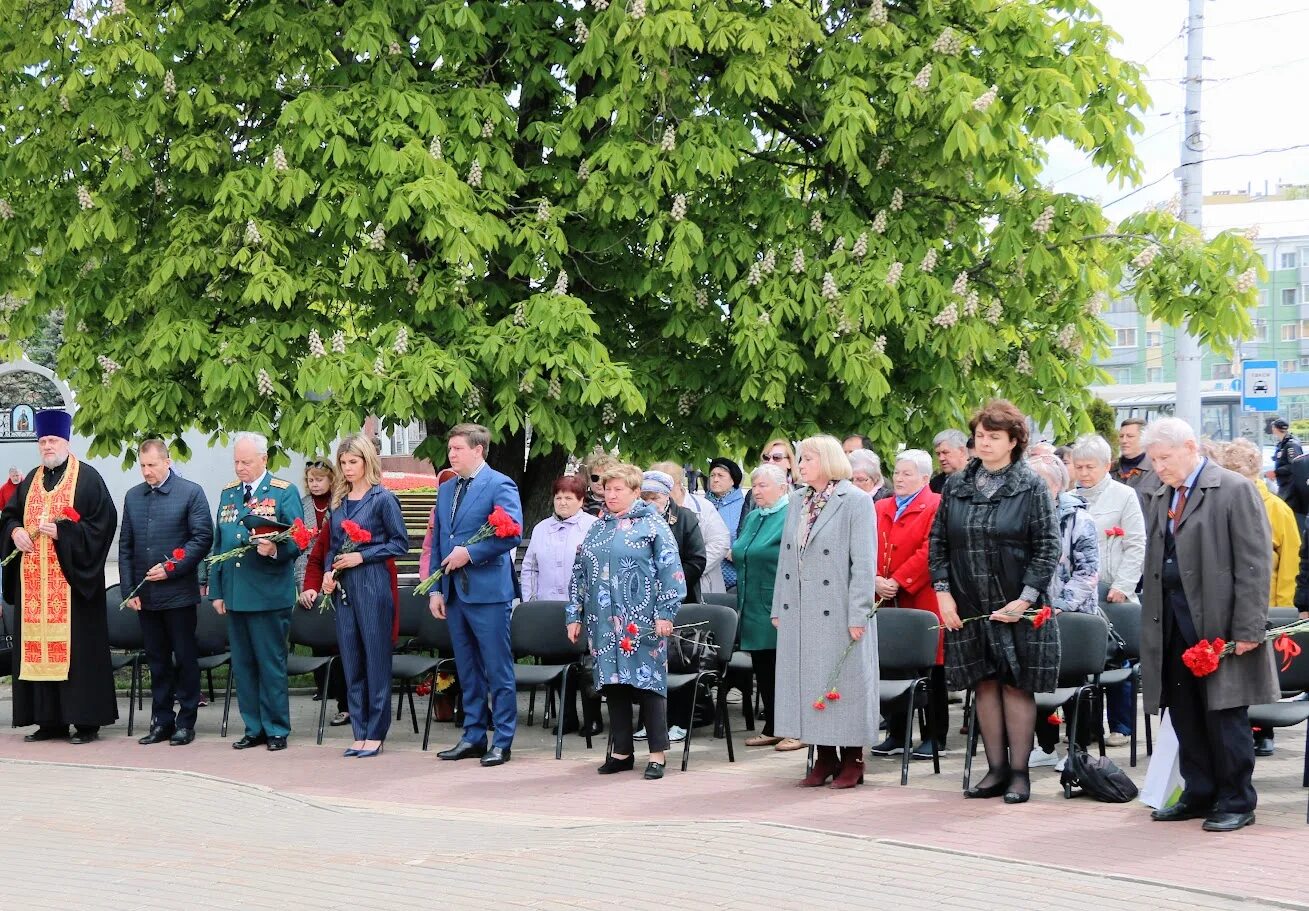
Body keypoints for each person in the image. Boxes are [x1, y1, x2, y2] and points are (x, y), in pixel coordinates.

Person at [1139, 418, 1278, 832]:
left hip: (1218, 623)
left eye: (1164, 458)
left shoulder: (1232, 488)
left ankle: (1236, 799)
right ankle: (1198, 792)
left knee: (1225, 714)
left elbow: (1255, 565)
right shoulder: (1162, 493)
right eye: (1153, 460)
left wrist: (1248, 629)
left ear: (1189, 447)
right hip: (1171, 621)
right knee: (1183, 712)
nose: (1158, 467)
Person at [928, 400, 1061, 804]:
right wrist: (944, 594)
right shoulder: (956, 484)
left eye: (993, 437)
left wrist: (1025, 599)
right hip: (968, 602)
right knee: (983, 684)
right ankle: (995, 769)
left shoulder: (1030, 485)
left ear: (1015, 441)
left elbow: (1047, 546)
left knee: (1016, 685)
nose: (983, 444)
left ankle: (1020, 774)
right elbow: (938, 543)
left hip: (1017, 604)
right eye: (980, 436)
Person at [1, 410, 119, 743]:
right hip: (34, 590)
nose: (47, 446)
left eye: (52, 440)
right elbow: (8, 516)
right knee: (36, 650)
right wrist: (14, 533)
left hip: (72, 588)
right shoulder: (30, 480)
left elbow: (102, 524)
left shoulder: (88, 478)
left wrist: (65, 534)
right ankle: (48, 721)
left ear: (66, 442)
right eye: (42, 441)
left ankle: (85, 722)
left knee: (77, 654)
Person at [771, 435, 879, 790]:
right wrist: (779, 606)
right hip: (801, 609)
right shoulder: (798, 500)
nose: (800, 466)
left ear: (829, 460)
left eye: (808, 459)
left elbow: (863, 563)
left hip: (840, 611)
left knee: (842, 684)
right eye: (800, 460)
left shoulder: (856, 501)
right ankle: (824, 757)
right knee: (809, 684)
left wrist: (858, 614)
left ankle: (853, 759)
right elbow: (787, 558)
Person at [568, 463, 686, 780]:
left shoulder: (652, 525)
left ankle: (657, 755)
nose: (612, 495)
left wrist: (666, 613)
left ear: (636, 492)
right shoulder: (597, 527)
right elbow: (579, 573)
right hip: (602, 620)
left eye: (619, 489)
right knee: (614, 684)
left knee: (649, 684)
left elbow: (671, 572)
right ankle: (621, 752)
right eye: (608, 489)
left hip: (641, 621)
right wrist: (573, 613)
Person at [428, 424, 524, 768]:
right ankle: (472, 735)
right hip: (454, 592)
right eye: (450, 449)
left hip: (487, 593)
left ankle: (502, 741)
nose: (451, 454)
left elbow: (512, 533)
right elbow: (440, 537)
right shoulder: (447, 488)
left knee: (497, 669)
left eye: (457, 449)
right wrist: (436, 587)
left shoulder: (499, 484)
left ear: (478, 449)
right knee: (466, 669)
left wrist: (470, 553)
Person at [208, 432, 304, 751]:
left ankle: (276, 728)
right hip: (236, 595)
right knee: (244, 665)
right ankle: (253, 726)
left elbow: (298, 539)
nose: (240, 467)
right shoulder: (229, 494)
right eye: (236, 461)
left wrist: (275, 550)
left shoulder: (282, 492)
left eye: (246, 461)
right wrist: (217, 591)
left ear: (264, 459)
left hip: (267, 595)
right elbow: (219, 544)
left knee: (270, 664)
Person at [119, 439, 214, 746]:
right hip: (145, 596)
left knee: (184, 658)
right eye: (142, 466)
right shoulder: (134, 497)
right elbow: (126, 547)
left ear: (167, 462)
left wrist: (171, 567)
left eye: (152, 465)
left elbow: (202, 538)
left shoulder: (191, 492)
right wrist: (129, 589)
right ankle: (162, 721)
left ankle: (186, 721)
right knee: (157, 660)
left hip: (179, 594)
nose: (147, 472)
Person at [319, 435, 409, 758]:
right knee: (352, 660)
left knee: (375, 659)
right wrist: (329, 572)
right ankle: (359, 730)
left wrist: (363, 556)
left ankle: (376, 731)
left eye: (353, 462)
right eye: (343, 463)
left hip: (372, 584)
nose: (347, 468)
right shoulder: (339, 502)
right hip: (344, 589)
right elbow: (332, 546)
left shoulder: (383, 498)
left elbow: (400, 543)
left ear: (367, 461)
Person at [1218, 437, 1300, 758]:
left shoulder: (1277, 509)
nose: (1234, 474)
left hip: (1266, 604)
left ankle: (1264, 730)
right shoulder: (1221, 502)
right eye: (1229, 469)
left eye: (1239, 468)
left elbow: (1291, 560)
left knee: (1263, 673)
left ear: (1254, 469)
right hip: (1229, 605)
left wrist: (1281, 606)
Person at [1069, 433, 1146, 748]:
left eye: (1090, 467)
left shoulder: (1124, 495)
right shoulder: (1070, 496)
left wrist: (1123, 586)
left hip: (1114, 591)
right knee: (1085, 660)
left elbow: (1136, 543)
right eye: (1079, 467)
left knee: (1118, 658)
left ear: (1106, 465)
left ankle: (1122, 725)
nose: (1084, 473)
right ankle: (1086, 725)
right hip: (1080, 592)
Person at [871, 449, 947, 759]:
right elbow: (866, 544)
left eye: (907, 473)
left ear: (925, 478)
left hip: (922, 596)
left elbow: (931, 549)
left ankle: (934, 736)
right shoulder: (880, 506)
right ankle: (896, 733)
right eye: (897, 473)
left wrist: (899, 580)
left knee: (931, 668)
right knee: (891, 665)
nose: (899, 479)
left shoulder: (936, 505)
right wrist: (875, 578)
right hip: (884, 596)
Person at [1027, 452, 1100, 771]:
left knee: (1073, 682)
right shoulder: (1023, 518)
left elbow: (1088, 572)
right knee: (1039, 678)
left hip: (1071, 615)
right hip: (1033, 613)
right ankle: (1044, 746)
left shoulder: (1079, 520)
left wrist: (1059, 605)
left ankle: (1078, 749)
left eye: (1038, 483)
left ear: (1056, 486)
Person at [519, 474, 599, 736]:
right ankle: (566, 716)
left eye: (569, 498)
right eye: (558, 497)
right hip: (548, 606)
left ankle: (592, 717)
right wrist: (530, 601)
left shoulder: (592, 526)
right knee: (555, 659)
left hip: (582, 608)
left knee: (585, 663)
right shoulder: (542, 528)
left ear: (581, 500)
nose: (562, 502)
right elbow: (529, 566)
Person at [735, 464, 799, 751]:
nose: (756, 491)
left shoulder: (790, 515)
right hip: (752, 602)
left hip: (778, 601)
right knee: (764, 667)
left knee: (785, 668)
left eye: (763, 485)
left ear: (782, 488)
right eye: (754, 485)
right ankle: (773, 725)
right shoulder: (754, 517)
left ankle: (796, 728)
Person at [296, 459, 349, 727]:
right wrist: (304, 585)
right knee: (318, 638)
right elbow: (298, 548)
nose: (314, 484)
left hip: (337, 575)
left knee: (338, 642)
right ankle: (324, 685)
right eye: (310, 480)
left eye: (319, 479)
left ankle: (345, 700)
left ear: (331, 479)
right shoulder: (302, 505)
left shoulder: (341, 503)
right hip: (309, 575)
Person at [649, 461, 724, 596]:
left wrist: (682, 574)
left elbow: (720, 543)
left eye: (667, 487)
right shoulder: (650, 510)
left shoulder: (703, 507)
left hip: (700, 583)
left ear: (678, 483)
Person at [704, 457, 746, 590]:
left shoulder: (743, 506)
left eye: (720, 476)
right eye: (712, 475)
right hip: (704, 577)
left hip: (734, 580)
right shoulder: (701, 505)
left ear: (733, 480)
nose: (715, 479)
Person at [1113, 418, 1164, 501]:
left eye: (1130, 436)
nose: (1124, 440)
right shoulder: (1109, 469)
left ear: (1143, 438)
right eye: (1121, 436)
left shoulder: (1158, 470)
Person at [1268, 419, 1301, 501]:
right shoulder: (1282, 443)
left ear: (1275, 428)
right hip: (1284, 484)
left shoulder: (1291, 444)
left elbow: (1294, 464)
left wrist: (1275, 472)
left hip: (1291, 486)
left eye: (1273, 427)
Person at [929, 429, 970, 494]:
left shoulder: (981, 480)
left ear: (962, 451)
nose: (941, 458)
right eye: (938, 454)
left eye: (945, 452)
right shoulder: (934, 485)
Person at [581, 452, 618, 517]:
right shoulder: (580, 500)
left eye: (604, 478)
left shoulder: (620, 502)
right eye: (595, 478)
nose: (599, 482)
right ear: (589, 478)